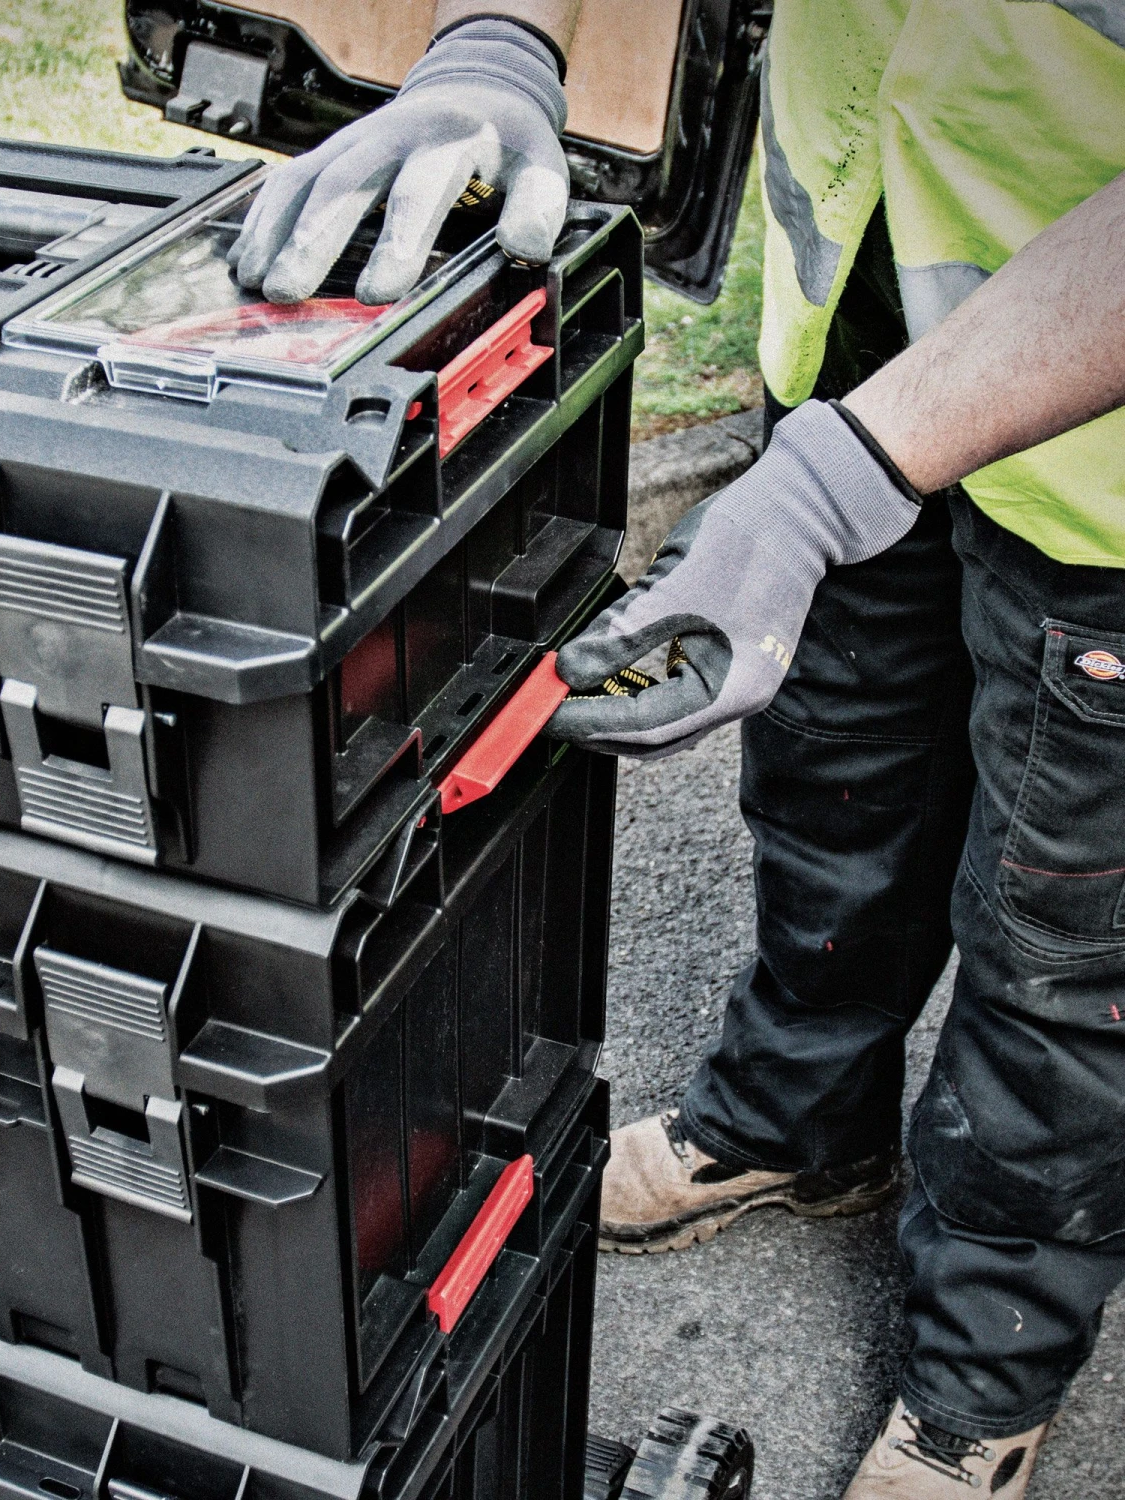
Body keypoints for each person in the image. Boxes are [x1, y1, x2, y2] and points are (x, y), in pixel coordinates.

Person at [230, 3, 1125, 1496]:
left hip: (1105, 448)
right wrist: (499, 40)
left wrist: (832, 487)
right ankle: (800, 1122)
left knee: (1065, 941)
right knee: (836, 770)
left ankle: (987, 1365)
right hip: (866, 286)